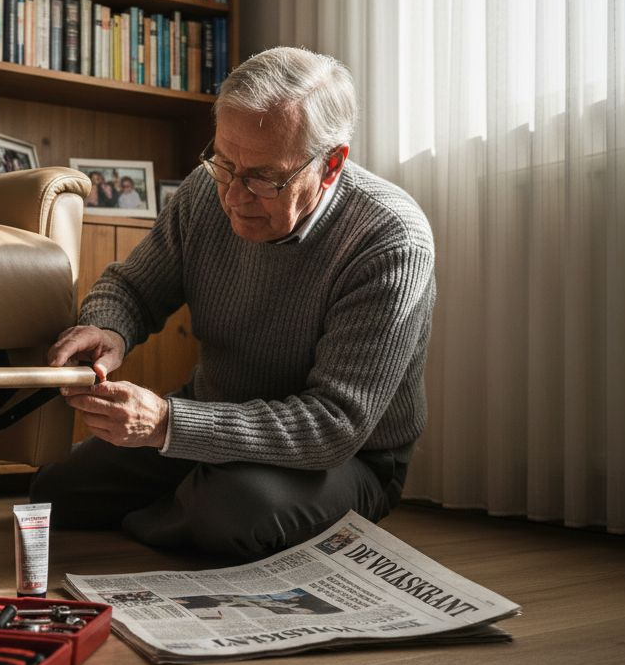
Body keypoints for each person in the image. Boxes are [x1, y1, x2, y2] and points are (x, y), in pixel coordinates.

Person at [31, 47, 436, 560]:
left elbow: (334, 426)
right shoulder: (205, 190)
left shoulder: (390, 240)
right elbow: (132, 287)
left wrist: (167, 426)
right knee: (54, 493)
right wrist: (107, 330)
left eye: (264, 178)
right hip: (215, 417)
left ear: (331, 164)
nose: (234, 196)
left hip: (347, 458)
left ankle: (193, 501)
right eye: (224, 163)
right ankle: (188, 501)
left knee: (235, 512)